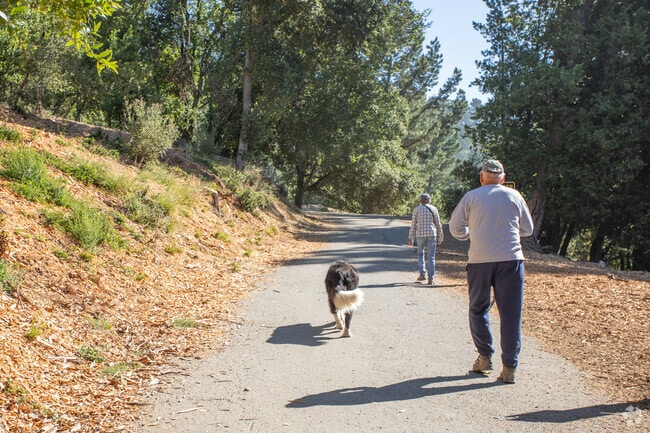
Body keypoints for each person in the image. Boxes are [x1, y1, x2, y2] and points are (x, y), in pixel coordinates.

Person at [448, 159, 534, 384]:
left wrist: (469, 234)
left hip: (480, 261)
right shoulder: (514, 196)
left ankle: (485, 357)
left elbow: (455, 227)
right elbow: (528, 229)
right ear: (503, 179)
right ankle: (509, 369)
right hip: (511, 260)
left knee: (478, 308)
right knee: (511, 314)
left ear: (482, 177)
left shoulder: (472, 196)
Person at [407, 193, 444, 285]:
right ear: (429, 200)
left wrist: (411, 238)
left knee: (420, 253)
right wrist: (440, 236)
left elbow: (413, 225)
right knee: (431, 256)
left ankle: (422, 273)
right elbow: (438, 224)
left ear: (420, 200)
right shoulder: (434, 209)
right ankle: (431, 279)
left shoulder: (417, 209)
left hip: (420, 234)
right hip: (432, 234)